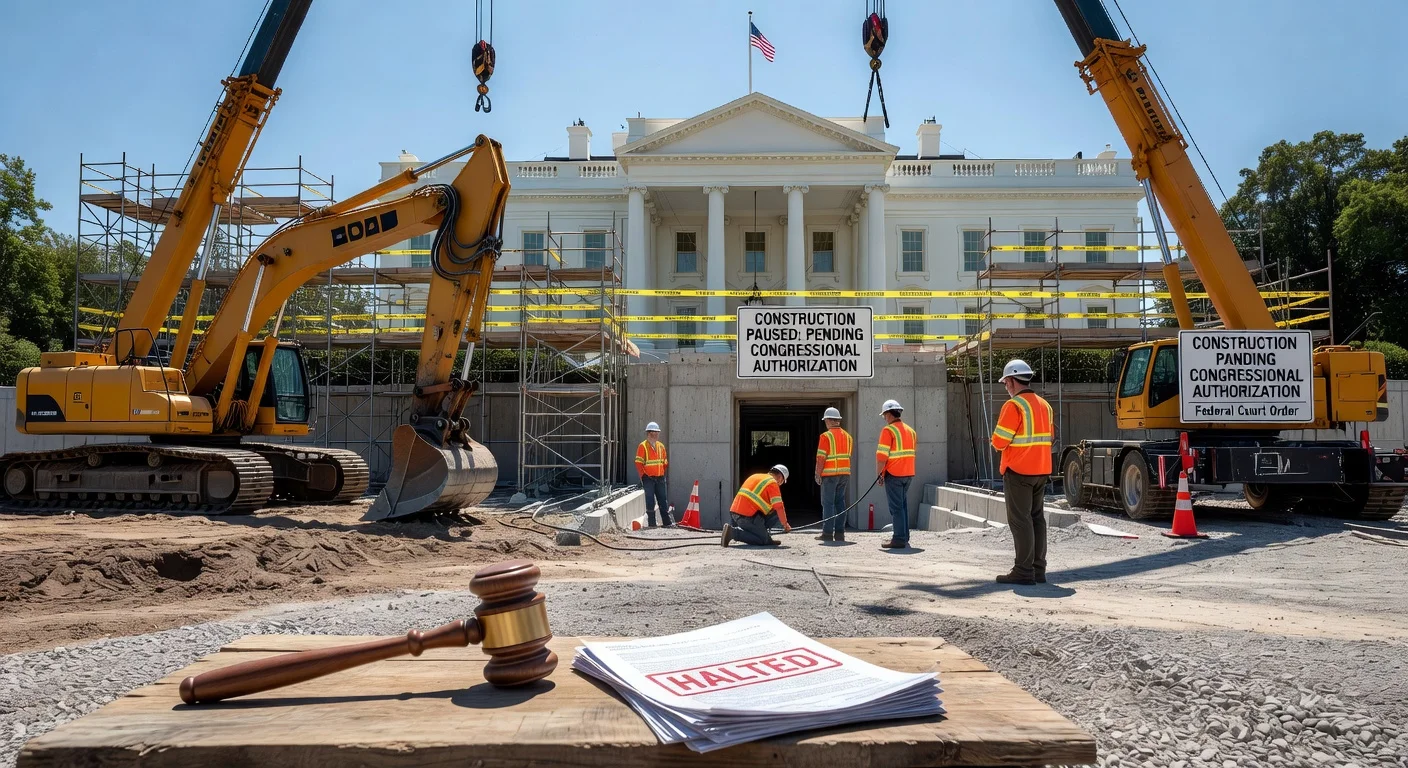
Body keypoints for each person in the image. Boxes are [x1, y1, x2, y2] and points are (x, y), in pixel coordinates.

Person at [990, 359, 1055, 585]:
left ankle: (1023, 571)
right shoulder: (1044, 405)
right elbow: (1050, 438)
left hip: (1019, 470)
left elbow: (999, 441)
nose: (1005, 387)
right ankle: (1038, 570)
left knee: (1020, 520)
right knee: (1037, 518)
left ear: (1010, 381)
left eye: (1005, 383)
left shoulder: (1014, 406)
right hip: (1041, 470)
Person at [875, 399, 917, 550]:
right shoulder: (910, 431)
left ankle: (898, 539)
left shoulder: (888, 431)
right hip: (908, 473)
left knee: (896, 508)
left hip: (894, 473)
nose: (884, 418)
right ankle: (904, 536)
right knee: (903, 506)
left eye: (884, 415)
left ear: (888, 414)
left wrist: (880, 475)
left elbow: (881, 456)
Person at [721, 465, 792, 547]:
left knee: (773, 511)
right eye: (782, 481)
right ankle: (733, 533)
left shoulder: (755, 476)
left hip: (735, 514)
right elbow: (779, 507)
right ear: (780, 477)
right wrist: (785, 524)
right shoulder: (772, 482)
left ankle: (765, 536)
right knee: (762, 540)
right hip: (748, 516)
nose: (780, 484)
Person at [815, 406, 852, 542]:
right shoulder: (848, 437)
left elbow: (821, 457)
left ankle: (827, 533)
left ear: (829, 421)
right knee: (840, 503)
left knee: (828, 504)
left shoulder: (826, 436)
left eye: (825, 421)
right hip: (845, 474)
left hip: (830, 475)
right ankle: (840, 533)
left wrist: (818, 474)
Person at [635, 421, 673, 527]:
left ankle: (667, 522)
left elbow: (665, 463)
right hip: (648, 478)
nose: (655, 435)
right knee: (650, 501)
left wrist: (661, 473)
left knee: (662, 500)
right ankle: (652, 524)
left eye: (657, 433)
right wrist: (643, 476)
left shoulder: (661, 446)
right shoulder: (643, 446)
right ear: (648, 433)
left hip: (660, 478)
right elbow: (638, 463)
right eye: (653, 433)